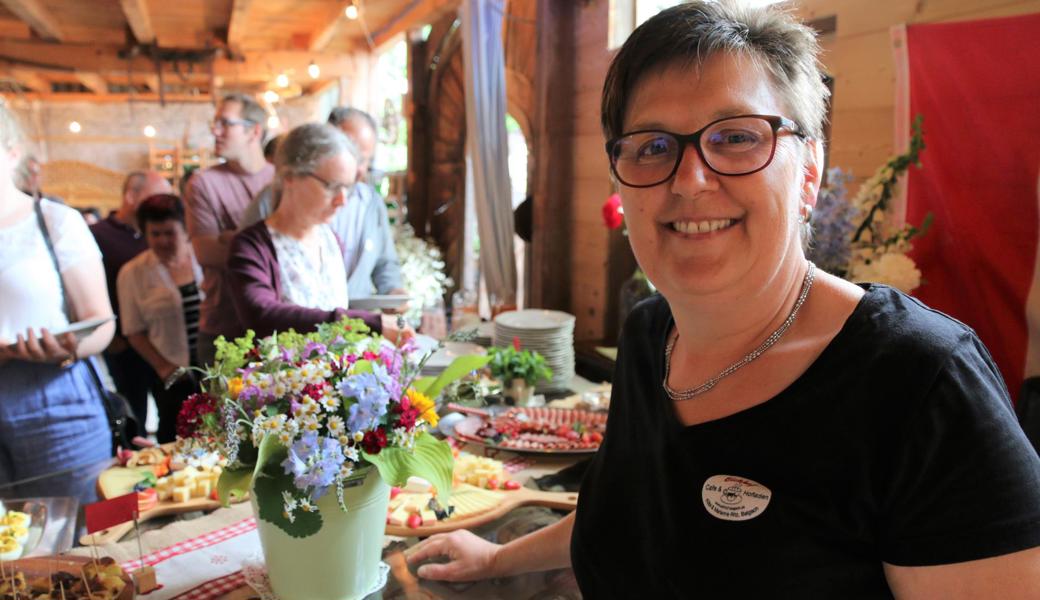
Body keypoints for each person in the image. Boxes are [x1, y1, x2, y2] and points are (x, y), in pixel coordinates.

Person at [406, 2, 1040, 596]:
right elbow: (632, 517)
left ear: (809, 173)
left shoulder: (921, 382)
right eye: (653, 146)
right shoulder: (651, 335)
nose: (690, 180)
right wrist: (495, 558)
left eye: (736, 137)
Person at [0, 102, 115, 504]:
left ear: (12, 150)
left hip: (55, 401)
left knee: (74, 549)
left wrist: (65, 347)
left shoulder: (52, 221)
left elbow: (100, 322)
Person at [227, 123, 407, 341]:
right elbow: (263, 315)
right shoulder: (251, 248)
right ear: (290, 176)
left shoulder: (330, 240)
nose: (342, 200)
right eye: (331, 186)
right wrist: (366, 323)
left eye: (347, 188)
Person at [241, 107, 405, 300]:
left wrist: (394, 292)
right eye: (351, 152)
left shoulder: (366, 207)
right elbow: (261, 303)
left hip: (353, 325)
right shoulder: (270, 205)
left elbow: (385, 262)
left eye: (366, 160)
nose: (358, 168)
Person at [185, 93, 275, 366]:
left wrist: (232, 238)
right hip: (224, 330)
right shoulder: (203, 184)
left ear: (253, 131)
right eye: (215, 123)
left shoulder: (283, 179)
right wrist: (269, 243)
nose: (215, 131)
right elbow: (208, 253)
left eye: (225, 123)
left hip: (277, 327)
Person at [91, 170, 174, 434]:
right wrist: (110, 337)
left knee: (170, 411)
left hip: (162, 342)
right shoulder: (98, 235)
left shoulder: (158, 235)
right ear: (131, 196)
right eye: (157, 196)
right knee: (133, 414)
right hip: (123, 346)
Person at [117, 194, 202, 443]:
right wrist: (165, 368)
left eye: (169, 232)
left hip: (215, 368)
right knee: (175, 438)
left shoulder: (202, 257)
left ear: (185, 229)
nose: (163, 240)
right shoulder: (133, 273)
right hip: (173, 375)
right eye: (155, 234)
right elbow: (134, 331)